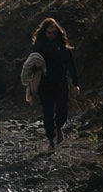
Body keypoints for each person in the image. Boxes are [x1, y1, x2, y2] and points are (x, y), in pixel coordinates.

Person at [31, 17, 79, 152]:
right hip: (45, 84)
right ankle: (51, 138)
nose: (51, 35)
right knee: (47, 113)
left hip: (60, 82)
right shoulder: (39, 46)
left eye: (53, 32)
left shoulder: (63, 47)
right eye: (48, 32)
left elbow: (71, 65)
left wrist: (75, 83)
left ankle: (59, 128)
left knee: (62, 110)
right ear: (44, 32)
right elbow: (30, 66)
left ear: (57, 33)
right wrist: (30, 86)